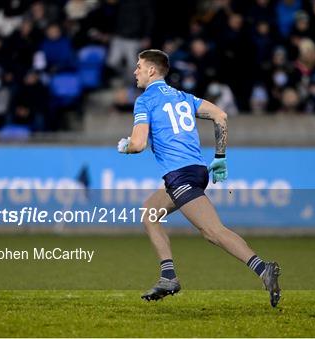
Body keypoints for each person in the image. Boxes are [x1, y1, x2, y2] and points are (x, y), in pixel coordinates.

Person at [116, 49, 281, 307]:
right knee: (150, 212)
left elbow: (138, 144)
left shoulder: (145, 100)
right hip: (196, 169)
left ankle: (263, 269)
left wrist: (125, 145)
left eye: (139, 66)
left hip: (180, 174)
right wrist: (221, 156)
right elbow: (221, 115)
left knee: (213, 232)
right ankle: (168, 276)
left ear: (151, 70)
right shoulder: (183, 97)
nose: (135, 71)